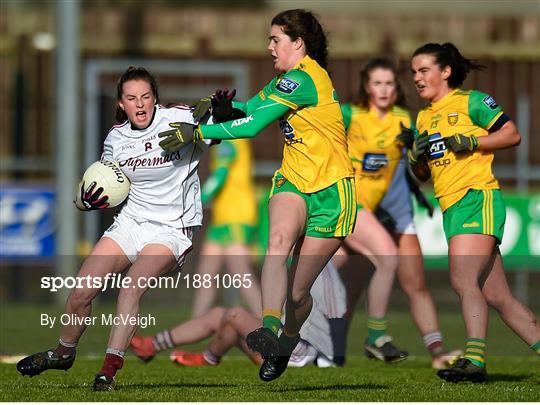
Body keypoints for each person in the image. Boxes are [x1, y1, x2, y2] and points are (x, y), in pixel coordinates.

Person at [157, 9, 356, 382]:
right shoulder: (284, 81)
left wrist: (199, 133)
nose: (269, 47)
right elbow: (250, 108)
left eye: (275, 39)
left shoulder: (306, 79)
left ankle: (286, 340)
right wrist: (221, 108)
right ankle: (267, 328)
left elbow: (253, 125)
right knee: (277, 240)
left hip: (333, 191)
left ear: (298, 43)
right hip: (293, 181)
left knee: (298, 295)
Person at [16, 66, 222, 391]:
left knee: (131, 286)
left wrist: (222, 113)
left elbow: (228, 126)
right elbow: (110, 184)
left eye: (146, 97)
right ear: (120, 104)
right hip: (131, 222)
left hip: (171, 229)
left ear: (155, 99)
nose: (140, 104)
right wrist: (86, 199)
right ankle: (63, 353)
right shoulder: (116, 138)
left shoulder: (178, 119)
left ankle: (107, 372)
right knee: (83, 289)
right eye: (131, 98)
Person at [407, 42, 540, 383]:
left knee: (462, 280)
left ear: (445, 72)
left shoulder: (472, 102)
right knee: (499, 297)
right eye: (413, 72)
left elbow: (512, 134)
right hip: (451, 207)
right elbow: (423, 174)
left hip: (476, 198)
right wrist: (415, 158)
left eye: (424, 70)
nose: (417, 78)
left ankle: (475, 360)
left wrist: (473, 142)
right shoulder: (423, 117)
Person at [338, 58, 461, 369]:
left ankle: (437, 354)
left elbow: (421, 170)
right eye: (377, 83)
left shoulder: (407, 120)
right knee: (342, 282)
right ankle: (330, 348)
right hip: (352, 207)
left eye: (389, 83)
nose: (383, 89)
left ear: (397, 88)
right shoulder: (350, 115)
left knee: (414, 282)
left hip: (394, 207)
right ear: (366, 86)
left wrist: (417, 152)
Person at [130, 262, 346, 368]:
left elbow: (336, 311)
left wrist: (332, 359)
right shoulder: (299, 260)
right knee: (219, 314)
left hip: (307, 354)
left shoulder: (319, 268)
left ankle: (209, 358)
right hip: (292, 342)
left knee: (235, 315)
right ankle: (152, 344)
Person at [191, 134, 261, 318]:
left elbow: (220, 177)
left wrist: (197, 201)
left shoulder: (228, 141)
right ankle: (194, 325)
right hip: (222, 218)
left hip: (236, 217)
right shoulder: (228, 139)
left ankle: (268, 322)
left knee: (241, 274)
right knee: (205, 274)